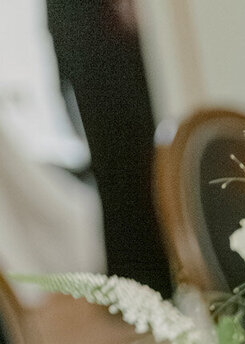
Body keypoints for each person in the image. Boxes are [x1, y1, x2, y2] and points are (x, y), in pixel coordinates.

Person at [44, 0, 172, 294]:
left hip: (111, 38)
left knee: (139, 160)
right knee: (112, 166)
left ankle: (155, 277)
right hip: (83, 38)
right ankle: (134, 281)